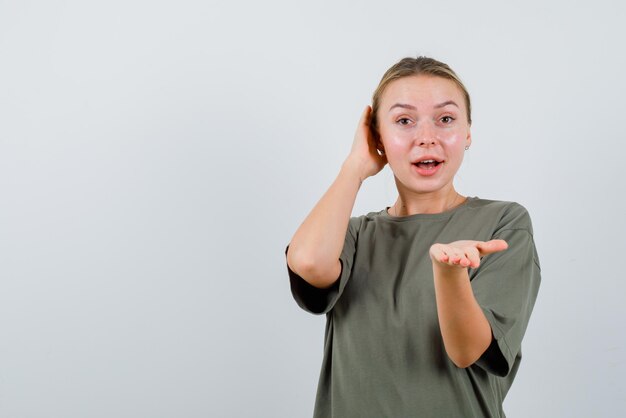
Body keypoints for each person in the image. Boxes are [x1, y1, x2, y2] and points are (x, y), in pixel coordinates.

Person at [285, 56, 541, 418]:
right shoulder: (354, 235)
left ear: (468, 132)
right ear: (378, 137)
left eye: (446, 119)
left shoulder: (503, 222)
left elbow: (468, 349)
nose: (427, 138)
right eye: (404, 121)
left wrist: (450, 271)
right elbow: (309, 262)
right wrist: (355, 167)